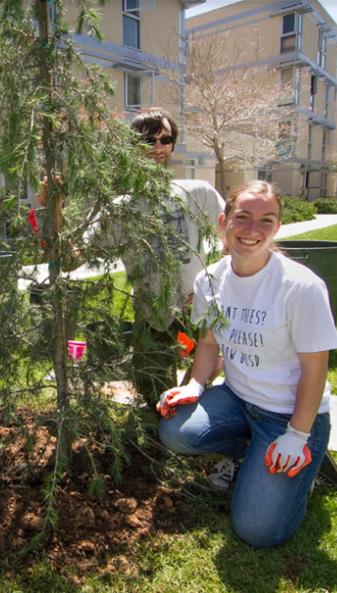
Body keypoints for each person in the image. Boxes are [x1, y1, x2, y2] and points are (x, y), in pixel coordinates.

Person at [157, 180, 337, 548]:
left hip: (290, 416)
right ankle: (255, 454)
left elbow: (315, 369)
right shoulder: (210, 279)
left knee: (257, 531)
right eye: (243, 217)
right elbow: (208, 343)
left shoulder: (300, 287)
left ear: (278, 228)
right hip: (238, 400)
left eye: (266, 220)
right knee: (175, 430)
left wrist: (296, 436)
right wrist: (194, 385)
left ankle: (305, 458)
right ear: (223, 221)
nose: (253, 229)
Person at [85, 107, 225, 403]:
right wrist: (54, 211)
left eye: (166, 139)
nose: (158, 147)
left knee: (216, 358)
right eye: (149, 140)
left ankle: (186, 399)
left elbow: (233, 240)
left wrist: (215, 283)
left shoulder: (199, 193)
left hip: (196, 304)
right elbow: (81, 250)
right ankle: (166, 410)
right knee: (150, 385)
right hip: (152, 312)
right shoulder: (120, 207)